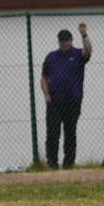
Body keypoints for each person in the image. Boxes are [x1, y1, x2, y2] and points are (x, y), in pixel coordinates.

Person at [42, 24, 92, 169]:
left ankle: (68, 164)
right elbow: (44, 78)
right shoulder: (51, 57)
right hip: (54, 102)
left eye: (66, 40)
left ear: (71, 40)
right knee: (52, 133)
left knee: (70, 132)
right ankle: (52, 163)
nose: (64, 43)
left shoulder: (77, 54)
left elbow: (88, 52)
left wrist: (84, 35)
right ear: (58, 41)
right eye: (61, 41)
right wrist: (46, 95)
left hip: (72, 101)